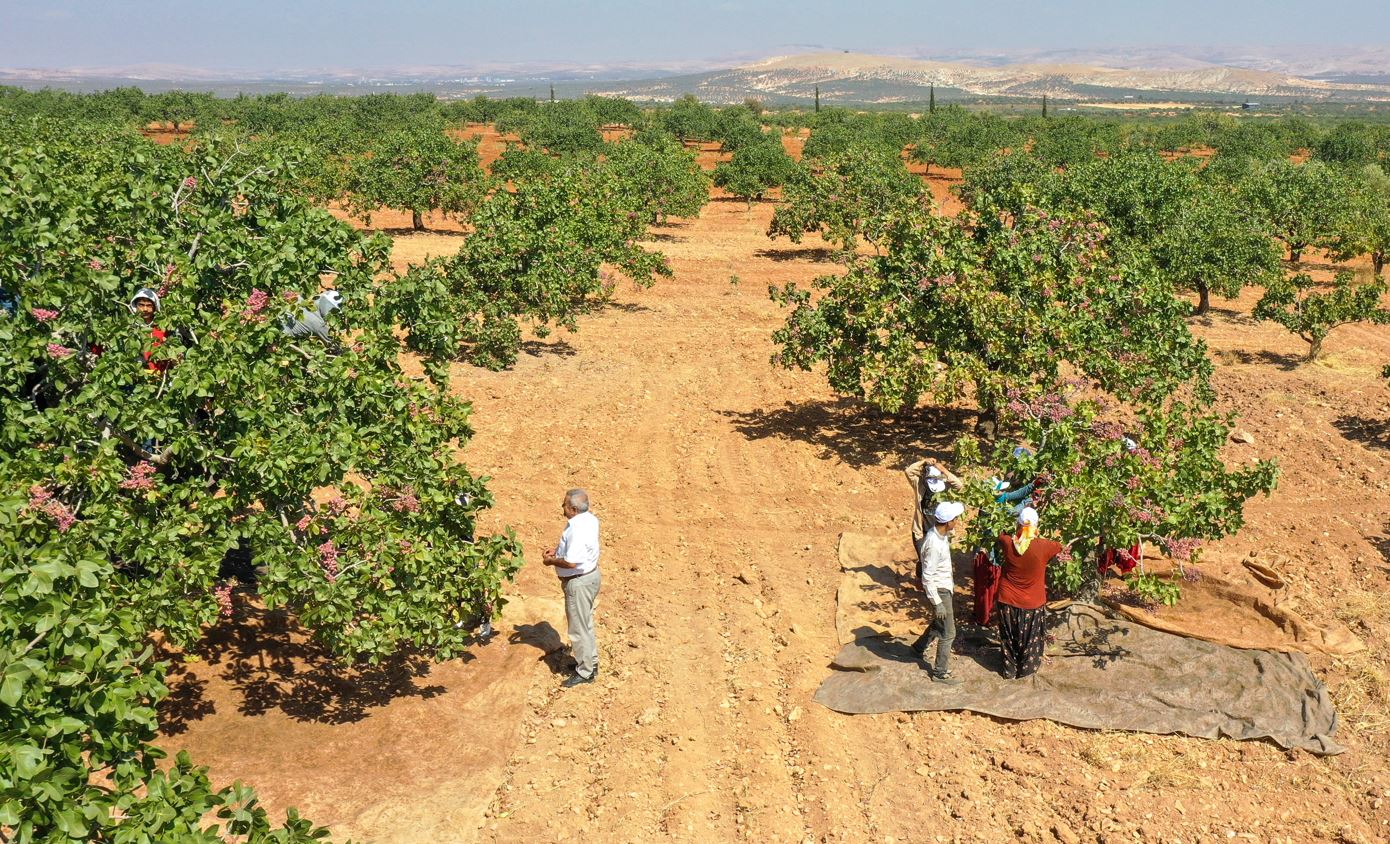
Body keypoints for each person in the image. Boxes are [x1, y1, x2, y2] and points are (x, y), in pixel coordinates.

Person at [542, 488, 602, 688]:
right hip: (591, 577)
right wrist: (559, 550)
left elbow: (572, 562)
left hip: (579, 583)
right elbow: (580, 550)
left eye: (565, 505)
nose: (562, 508)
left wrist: (551, 561)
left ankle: (585, 672)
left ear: (574, 509)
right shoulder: (590, 519)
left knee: (578, 629)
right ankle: (590, 663)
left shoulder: (576, 528)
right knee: (586, 624)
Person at [995, 507, 1063, 680]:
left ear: (1018, 525)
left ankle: (1009, 671)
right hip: (1032, 603)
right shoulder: (1045, 546)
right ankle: (1026, 673)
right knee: (1030, 641)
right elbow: (1059, 546)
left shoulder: (1007, 542)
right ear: (1035, 526)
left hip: (1007, 600)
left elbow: (1000, 535)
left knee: (1008, 638)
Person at [910, 500, 965, 685]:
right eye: (955, 519)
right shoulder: (934, 544)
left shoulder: (940, 534)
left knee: (939, 622)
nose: (957, 521)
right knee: (948, 633)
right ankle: (940, 672)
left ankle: (918, 648)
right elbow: (927, 576)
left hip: (943, 587)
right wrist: (937, 602)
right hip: (939, 591)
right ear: (948, 522)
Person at [904, 458, 962, 560]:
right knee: (924, 561)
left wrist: (944, 470)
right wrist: (923, 461)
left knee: (939, 561)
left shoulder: (945, 486)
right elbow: (909, 471)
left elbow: (959, 485)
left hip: (941, 533)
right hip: (922, 533)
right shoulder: (919, 484)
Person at [129, 288, 171, 374]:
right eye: (141, 305)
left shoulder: (163, 327)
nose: (145, 309)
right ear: (135, 306)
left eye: (149, 305)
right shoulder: (131, 328)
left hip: (163, 373)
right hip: (141, 374)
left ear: (155, 307)